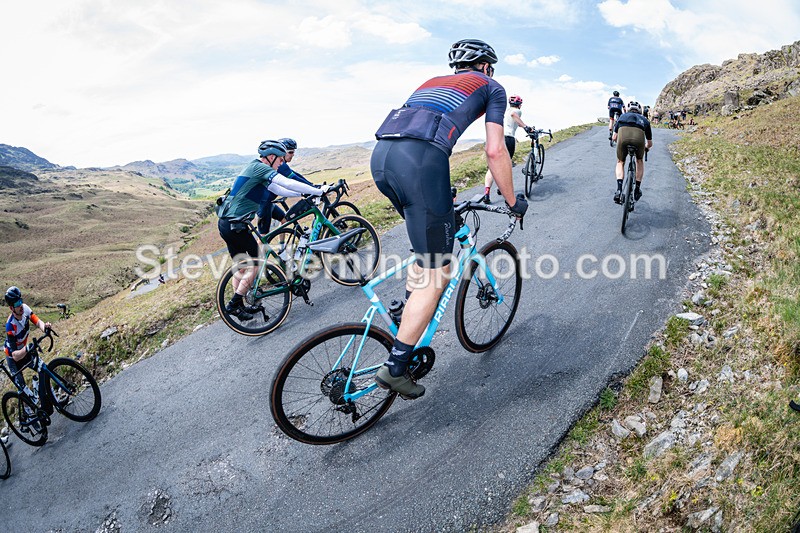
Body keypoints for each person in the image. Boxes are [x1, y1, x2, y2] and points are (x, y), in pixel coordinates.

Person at [370, 38, 528, 399]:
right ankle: (395, 367)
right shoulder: (492, 87)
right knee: (439, 271)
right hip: (422, 163)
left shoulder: (429, 82)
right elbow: (495, 148)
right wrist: (512, 199)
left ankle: (406, 307)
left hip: (382, 160)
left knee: (425, 249)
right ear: (487, 66)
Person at [217, 140, 330, 320]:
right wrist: (318, 191)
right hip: (235, 225)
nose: (282, 163)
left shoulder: (256, 169)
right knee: (256, 262)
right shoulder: (261, 169)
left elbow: (281, 189)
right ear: (270, 157)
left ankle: (240, 305)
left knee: (241, 265)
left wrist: (307, 192)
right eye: (279, 160)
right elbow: (287, 182)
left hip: (227, 223)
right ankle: (235, 303)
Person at [255, 138, 316, 235]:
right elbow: (293, 179)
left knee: (285, 221)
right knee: (263, 236)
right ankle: (260, 251)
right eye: (291, 152)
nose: (293, 155)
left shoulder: (282, 164)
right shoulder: (281, 166)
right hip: (263, 205)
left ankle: (282, 247)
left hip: (269, 203)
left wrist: (312, 185)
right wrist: (314, 189)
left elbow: (296, 175)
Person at [481, 95, 532, 203]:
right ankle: (504, 190)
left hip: (496, 137)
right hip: (508, 139)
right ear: (519, 105)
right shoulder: (516, 111)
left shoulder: (503, 111)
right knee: (505, 165)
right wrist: (526, 127)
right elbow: (514, 115)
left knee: (492, 167)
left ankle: (486, 193)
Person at [4, 287, 51, 396]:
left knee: (43, 370)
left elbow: (37, 322)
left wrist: (46, 327)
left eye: (20, 301)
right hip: (13, 358)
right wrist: (26, 348)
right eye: (16, 304)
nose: (20, 305)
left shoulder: (25, 309)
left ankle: (54, 400)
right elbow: (15, 355)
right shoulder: (10, 326)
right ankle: (28, 410)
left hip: (24, 350)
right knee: (23, 390)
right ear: (11, 308)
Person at [611, 102, 653, 204]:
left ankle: (619, 189)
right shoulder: (645, 120)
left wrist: (620, 143)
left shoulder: (622, 117)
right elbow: (650, 143)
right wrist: (645, 148)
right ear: (640, 111)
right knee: (639, 160)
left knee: (620, 162)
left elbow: (614, 137)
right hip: (638, 141)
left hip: (623, 139)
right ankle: (637, 188)